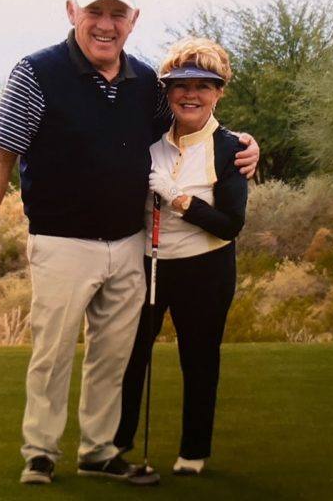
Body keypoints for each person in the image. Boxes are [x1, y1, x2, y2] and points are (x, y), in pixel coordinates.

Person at [0, 0, 260, 485]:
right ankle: (40, 451)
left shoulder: (146, 80)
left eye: (117, 14)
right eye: (94, 12)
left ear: (133, 21)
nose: (105, 24)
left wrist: (244, 144)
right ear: (72, 12)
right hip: (61, 240)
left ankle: (99, 451)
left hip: (129, 243)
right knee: (52, 353)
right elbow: (0, 152)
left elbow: (185, 125)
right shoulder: (37, 72)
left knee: (114, 355)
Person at [115, 38, 248, 476]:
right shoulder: (148, 139)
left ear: (219, 92)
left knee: (199, 357)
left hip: (206, 267)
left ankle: (193, 451)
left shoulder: (231, 148)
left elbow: (230, 224)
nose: (190, 94)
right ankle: (115, 445)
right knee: (130, 355)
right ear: (167, 92)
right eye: (180, 85)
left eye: (203, 86)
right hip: (148, 262)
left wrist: (176, 198)